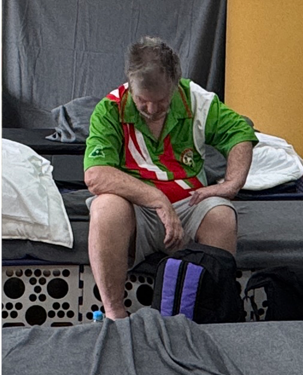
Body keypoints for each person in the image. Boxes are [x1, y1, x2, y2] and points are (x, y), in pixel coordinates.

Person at [84, 36, 258, 319]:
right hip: (137, 212)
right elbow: (95, 175)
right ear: (130, 85)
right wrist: (157, 199)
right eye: (142, 101)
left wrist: (231, 184)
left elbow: (240, 132)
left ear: (176, 85)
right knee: (105, 207)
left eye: (161, 101)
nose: (152, 110)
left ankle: (210, 317)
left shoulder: (198, 101)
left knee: (221, 215)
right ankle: (115, 313)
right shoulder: (110, 109)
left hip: (190, 205)